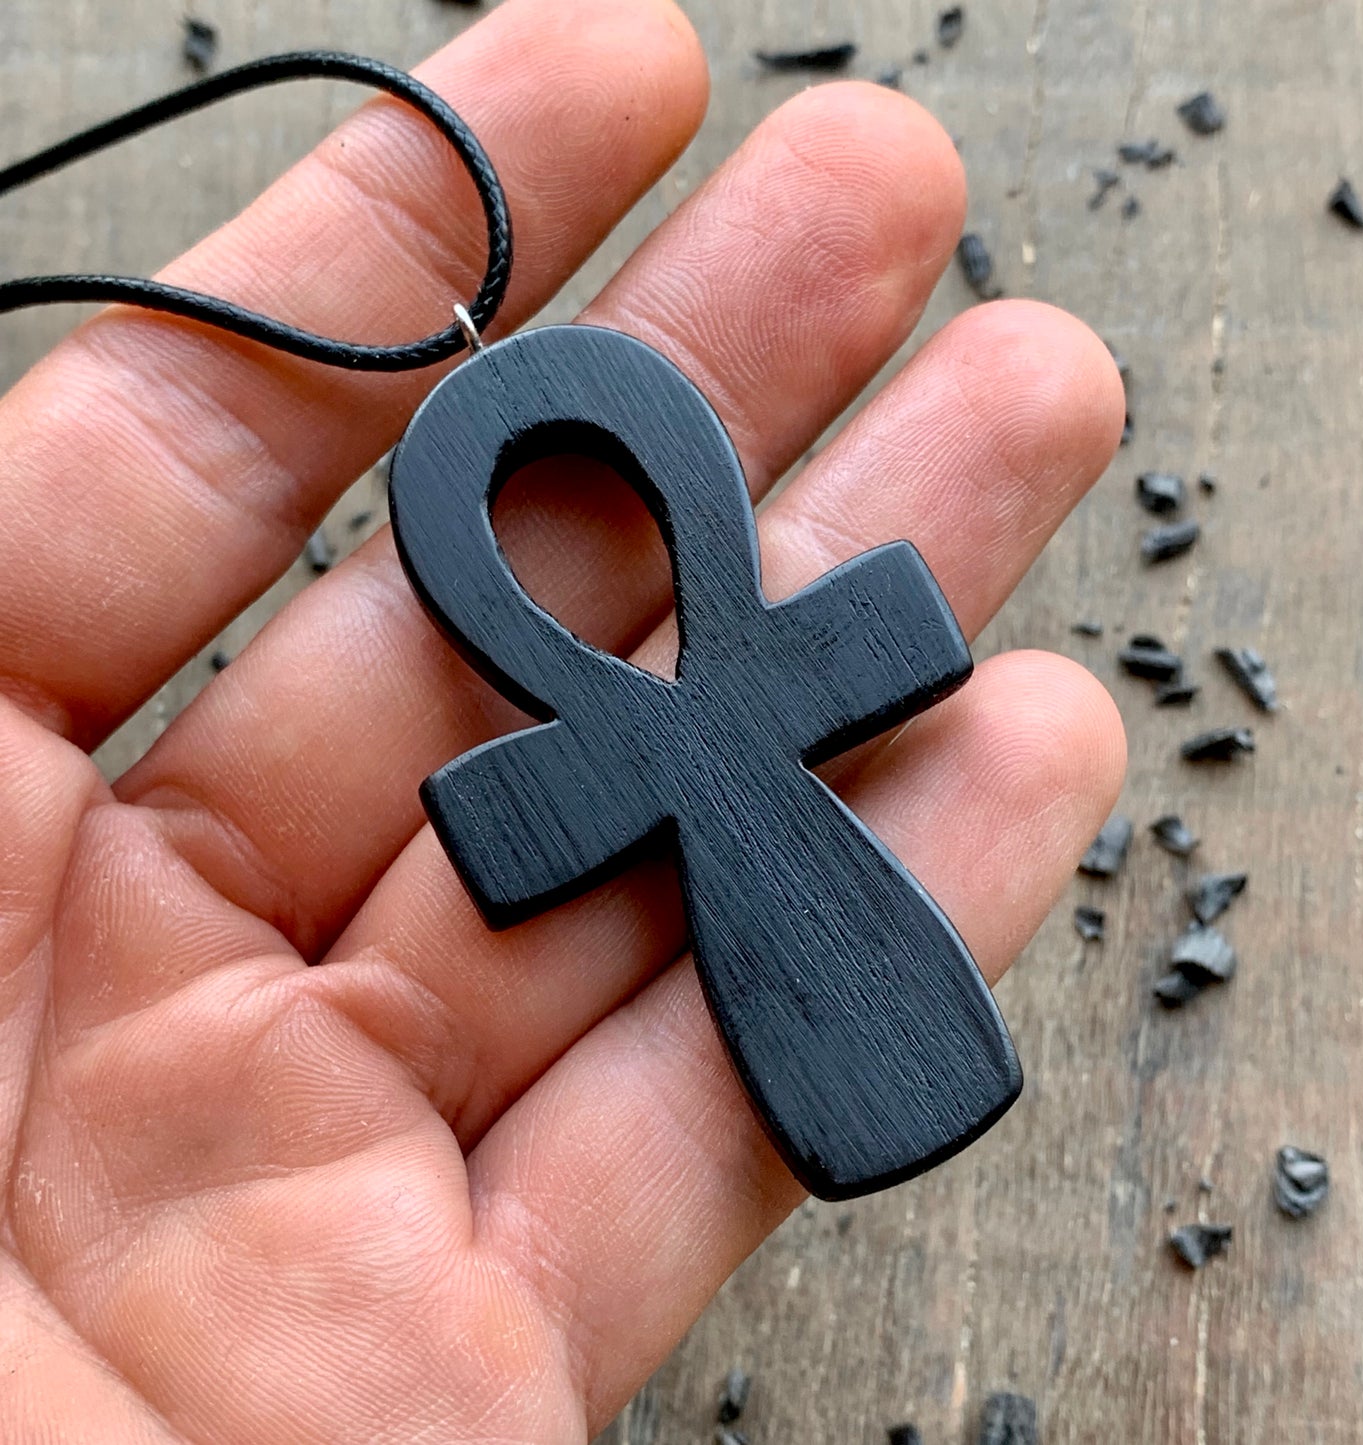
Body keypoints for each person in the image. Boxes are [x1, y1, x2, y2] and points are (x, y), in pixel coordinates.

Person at [0, 0, 1126, 1438]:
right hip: (762, 901)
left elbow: (888, 629)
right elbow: (503, 828)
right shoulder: (632, 736)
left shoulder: (739, 677)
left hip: (821, 904)